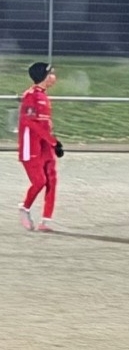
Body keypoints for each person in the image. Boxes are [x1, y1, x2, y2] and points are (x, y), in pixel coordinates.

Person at [17, 62, 62, 232]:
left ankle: (46, 221)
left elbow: (44, 124)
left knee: (51, 179)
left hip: (45, 145)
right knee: (39, 181)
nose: (54, 76)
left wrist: (52, 141)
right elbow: (30, 123)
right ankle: (25, 208)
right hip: (31, 146)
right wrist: (53, 141)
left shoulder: (43, 96)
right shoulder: (31, 96)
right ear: (44, 77)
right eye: (51, 73)